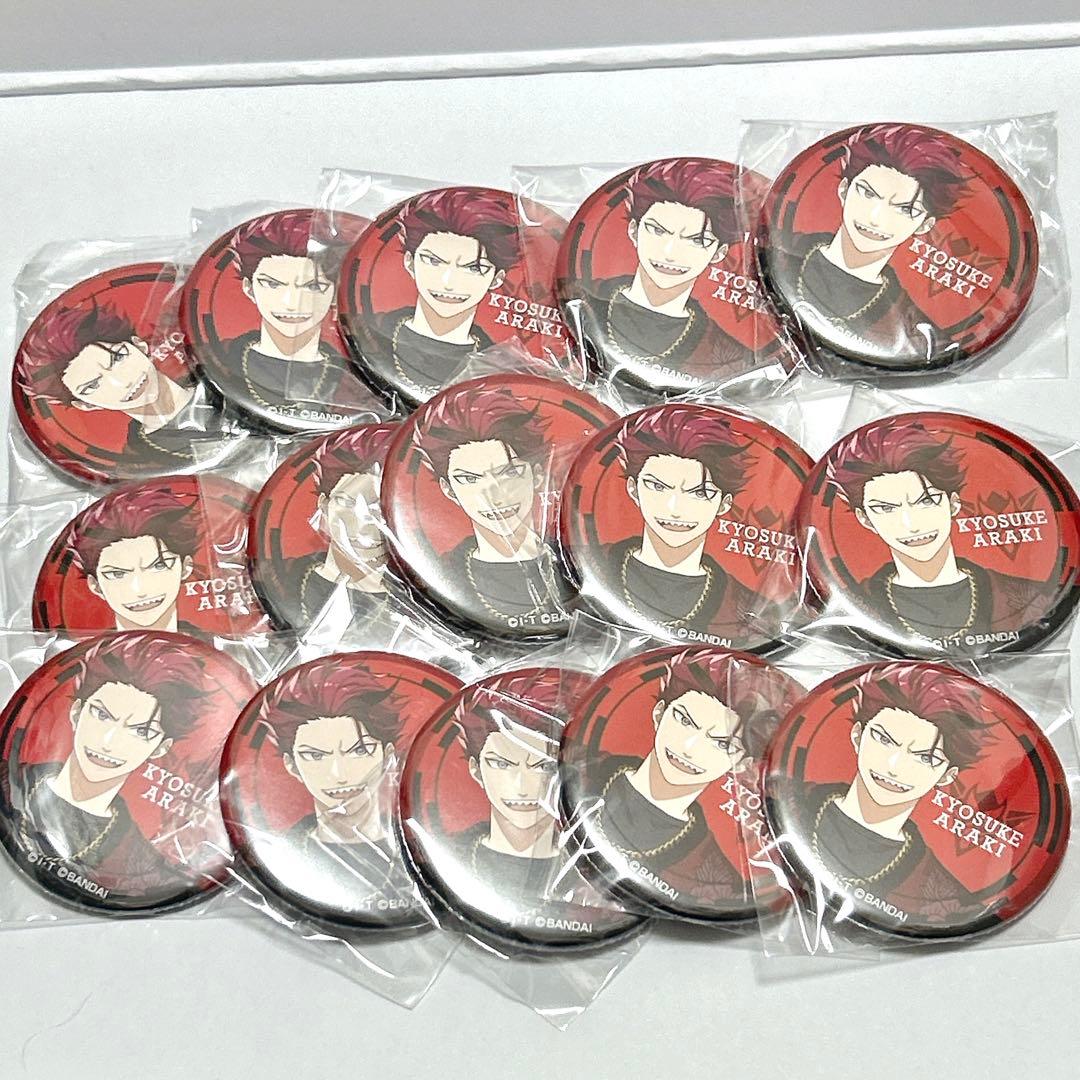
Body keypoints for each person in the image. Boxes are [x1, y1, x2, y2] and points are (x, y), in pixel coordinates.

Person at [826, 421, 1050, 645]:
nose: (911, 525)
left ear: (953, 504)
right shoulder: (849, 602)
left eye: (926, 501)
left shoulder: (1029, 596)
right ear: (865, 519)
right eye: (886, 508)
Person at [16, 634, 210, 891]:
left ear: (160, 748)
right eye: (101, 714)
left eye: (140, 731)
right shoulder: (12, 779)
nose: (108, 742)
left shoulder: (144, 865)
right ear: (76, 713)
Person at [797, 663, 992, 910]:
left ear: (946, 776)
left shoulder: (946, 897)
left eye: (925, 758)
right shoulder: (782, 799)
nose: (894, 766)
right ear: (857, 736)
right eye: (884, 739)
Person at [774, 124, 972, 358]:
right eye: (867, 193)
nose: (875, 218)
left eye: (905, 209)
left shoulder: (917, 335)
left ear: (925, 225)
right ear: (844, 190)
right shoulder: (777, 250)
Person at [594, 648, 773, 899]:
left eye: (721, 744)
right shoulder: (582, 767)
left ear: (742, 763)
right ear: (659, 714)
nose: (689, 748)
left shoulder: (719, 878)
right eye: (684, 720)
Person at [576, 158, 755, 382]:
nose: (670, 253)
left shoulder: (732, 358)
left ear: (718, 253)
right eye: (657, 231)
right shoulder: (582, 301)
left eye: (697, 241)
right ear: (634, 231)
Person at [258, 659, 416, 912]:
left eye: (359, 750)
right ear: (291, 765)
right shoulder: (276, 850)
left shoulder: (424, 850)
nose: (339, 775)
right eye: (315, 755)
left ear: (388, 755)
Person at [605, 405, 766, 644]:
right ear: (633, 489)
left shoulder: (750, 608)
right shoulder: (585, 565)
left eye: (699, 493)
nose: (675, 509)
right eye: (657, 487)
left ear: (724, 504)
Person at [415, 384, 571, 628]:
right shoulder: (440, 573)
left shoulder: (576, 561)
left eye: (509, 473)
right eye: (469, 479)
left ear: (538, 475)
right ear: (448, 490)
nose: (493, 495)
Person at [16, 303, 225, 466]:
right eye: (92, 386)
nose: (123, 381)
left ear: (139, 345)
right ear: (86, 405)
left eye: (118, 358)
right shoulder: (136, 461)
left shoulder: (223, 368)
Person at [376, 188, 521, 396]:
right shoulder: (373, 331)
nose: (449, 283)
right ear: (409, 262)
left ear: (496, 278)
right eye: (433, 261)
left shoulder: (505, 365)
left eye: (473, 268)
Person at [223, 209, 367, 412]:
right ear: (249, 288)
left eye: (313, 286)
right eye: (272, 284)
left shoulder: (360, 380)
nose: (292, 303)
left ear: (336, 292)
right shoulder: (220, 359)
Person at [278, 425, 398, 629]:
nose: (364, 523)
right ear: (324, 505)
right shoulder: (286, 576)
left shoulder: (417, 599)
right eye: (347, 503)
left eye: (380, 509)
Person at [68, 487, 200, 634]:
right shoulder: (79, 645)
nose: (140, 590)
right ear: (95, 585)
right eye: (117, 574)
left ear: (185, 567)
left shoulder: (217, 642)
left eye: (159, 565)